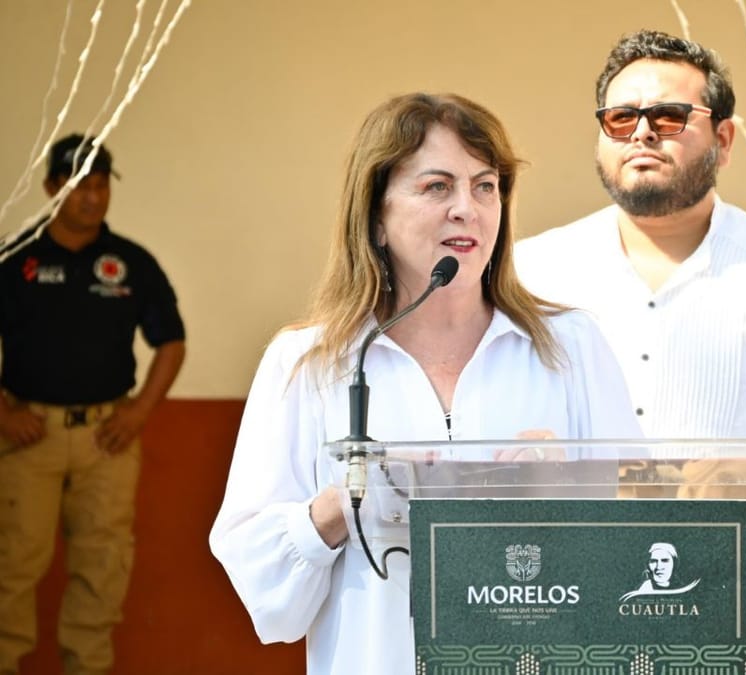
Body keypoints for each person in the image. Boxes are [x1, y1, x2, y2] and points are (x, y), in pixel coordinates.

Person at [209, 93, 641, 674]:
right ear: (376, 217)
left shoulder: (571, 347)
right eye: (437, 186)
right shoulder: (307, 362)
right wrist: (344, 503)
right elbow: (267, 600)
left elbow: (644, 554)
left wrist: (570, 487)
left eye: (485, 186)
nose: (467, 209)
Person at [515, 30, 746, 673]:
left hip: (737, 627)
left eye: (670, 116)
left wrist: (620, 482)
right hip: (561, 619)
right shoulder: (531, 271)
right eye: (621, 118)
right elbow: (500, 454)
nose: (643, 133)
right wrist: (700, 479)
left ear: (724, 140)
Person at [0, 134, 187, 674]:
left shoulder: (131, 262)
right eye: (79, 184)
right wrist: (4, 415)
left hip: (106, 439)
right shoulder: (14, 259)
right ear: (51, 188)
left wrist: (140, 410)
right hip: (27, 437)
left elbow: (171, 342)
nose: (92, 196)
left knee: (102, 568)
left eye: (101, 185)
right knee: (11, 566)